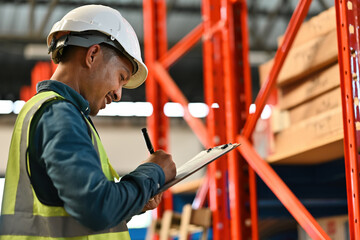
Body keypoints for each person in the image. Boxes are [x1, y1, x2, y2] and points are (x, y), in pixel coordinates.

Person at [0, 4, 176, 240]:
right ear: (92, 55)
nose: (118, 94)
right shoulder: (59, 114)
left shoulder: (50, 111)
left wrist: (135, 200)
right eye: (121, 78)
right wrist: (153, 172)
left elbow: (77, 214)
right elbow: (97, 208)